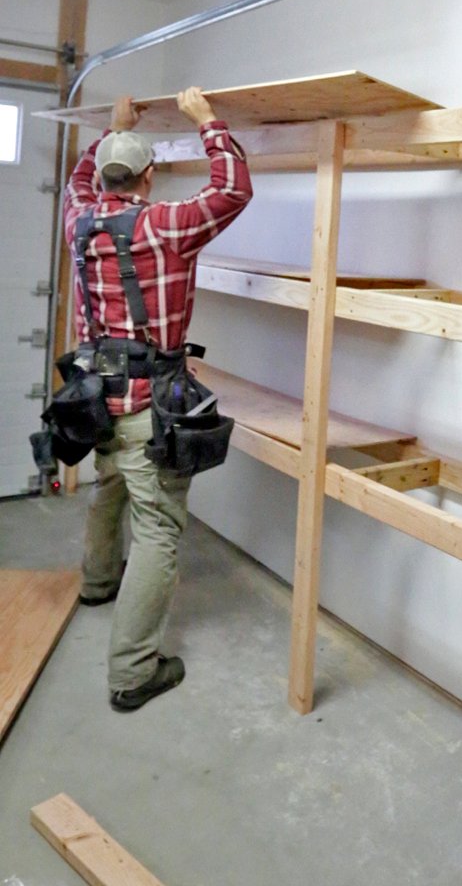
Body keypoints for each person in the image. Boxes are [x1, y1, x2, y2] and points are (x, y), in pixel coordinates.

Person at [64, 87, 252, 711]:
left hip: (94, 394)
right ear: (149, 175)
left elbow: (78, 181)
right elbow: (231, 191)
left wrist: (111, 128)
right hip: (149, 400)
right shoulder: (163, 225)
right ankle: (132, 672)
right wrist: (208, 123)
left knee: (110, 482)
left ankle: (95, 585)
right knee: (160, 529)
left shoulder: (78, 220)